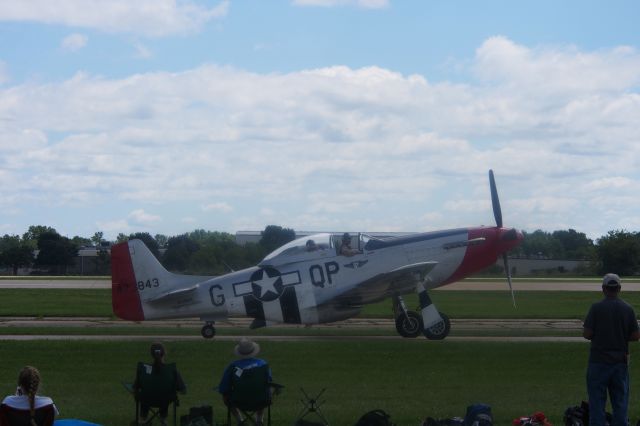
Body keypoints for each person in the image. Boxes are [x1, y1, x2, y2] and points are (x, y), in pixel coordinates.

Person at [583, 273, 640, 426]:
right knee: (620, 403)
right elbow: (635, 335)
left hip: (598, 362)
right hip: (619, 363)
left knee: (596, 404)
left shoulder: (596, 308)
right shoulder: (628, 309)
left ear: (603, 288)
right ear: (619, 288)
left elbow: (587, 334)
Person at [218, 338, 272, 426]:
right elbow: (269, 381)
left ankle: (240, 420)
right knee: (264, 390)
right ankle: (259, 420)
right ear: (253, 350)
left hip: (238, 400)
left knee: (225, 395)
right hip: (261, 400)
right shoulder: (263, 364)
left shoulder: (232, 366)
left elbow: (224, 387)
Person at [134, 342, 186, 426]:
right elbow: (183, 389)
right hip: (165, 400)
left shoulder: (144, 370)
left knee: (146, 393)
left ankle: (143, 418)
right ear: (164, 353)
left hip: (146, 398)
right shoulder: (171, 370)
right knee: (164, 394)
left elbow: (135, 386)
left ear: (151, 354)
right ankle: (163, 418)